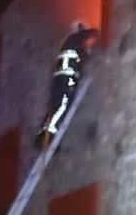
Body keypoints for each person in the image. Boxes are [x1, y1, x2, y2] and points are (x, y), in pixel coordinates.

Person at [35, 21, 99, 149]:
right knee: (62, 106)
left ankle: (45, 138)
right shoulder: (73, 38)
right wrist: (97, 32)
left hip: (59, 79)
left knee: (55, 108)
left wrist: (89, 51)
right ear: (78, 30)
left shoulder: (69, 44)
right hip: (67, 79)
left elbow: (83, 56)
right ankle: (46, 139)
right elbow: (90, 34)